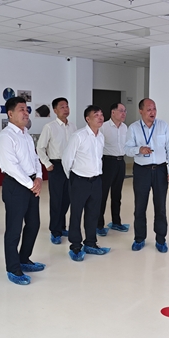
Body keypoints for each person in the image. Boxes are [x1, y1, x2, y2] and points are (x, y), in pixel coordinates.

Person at [0, 97, 45, 285]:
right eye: (21, 109)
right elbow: (11, 166)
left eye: (27, 109)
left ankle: (24, 259)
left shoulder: (26, 135)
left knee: (33, 224)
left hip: (31, 184)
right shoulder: (6, 136)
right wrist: (31, 183)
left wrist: (39, 177)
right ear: (10, 114)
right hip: (16, 186)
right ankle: (13, 268)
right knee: (14, 229)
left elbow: (35, 159)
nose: (26, 113)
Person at [125, 98, 169, 253]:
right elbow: (127, 149)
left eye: (154, 109)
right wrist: (138, 150)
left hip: (160, 170)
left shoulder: (163, 126)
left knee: (160, 207)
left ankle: (161, 239)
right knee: (140, 206)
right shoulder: (133, 128)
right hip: (142, 171)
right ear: (141, 111)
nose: (152, 112)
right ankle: (139, 238)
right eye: (148, 109)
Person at [62, 105, 110, 262]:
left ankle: (90, 243)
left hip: (96, 181)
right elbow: (66, 159)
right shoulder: (78, 136)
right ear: (87, 119)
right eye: (96, 115)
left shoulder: (100, 136)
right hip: (79, 180)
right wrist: (72, 178)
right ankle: (75, 246)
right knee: (76, 214)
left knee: (93, 213)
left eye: (101, 114)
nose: (100, 117)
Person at [37, 97, 76, 245]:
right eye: (62, 107)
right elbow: (40, 148)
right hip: (56, 166)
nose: (65, 109)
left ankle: (62, 226)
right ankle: (55, 231)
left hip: (70, 166)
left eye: (67, 106)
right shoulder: (50, 127)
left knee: (67, 198)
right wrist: (47, 164)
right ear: (55, 110)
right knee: (56, 200)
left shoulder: (73, 127)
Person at [97, 103, 129, 236]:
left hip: (121, 162)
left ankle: (116, 222)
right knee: (102, 195)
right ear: (113, 112)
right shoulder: (103, 127)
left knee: (117, 194)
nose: (124, 113)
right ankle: (98, 225)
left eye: (125, 111)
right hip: (107, 162)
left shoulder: (125, 127)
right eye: (121, 111)